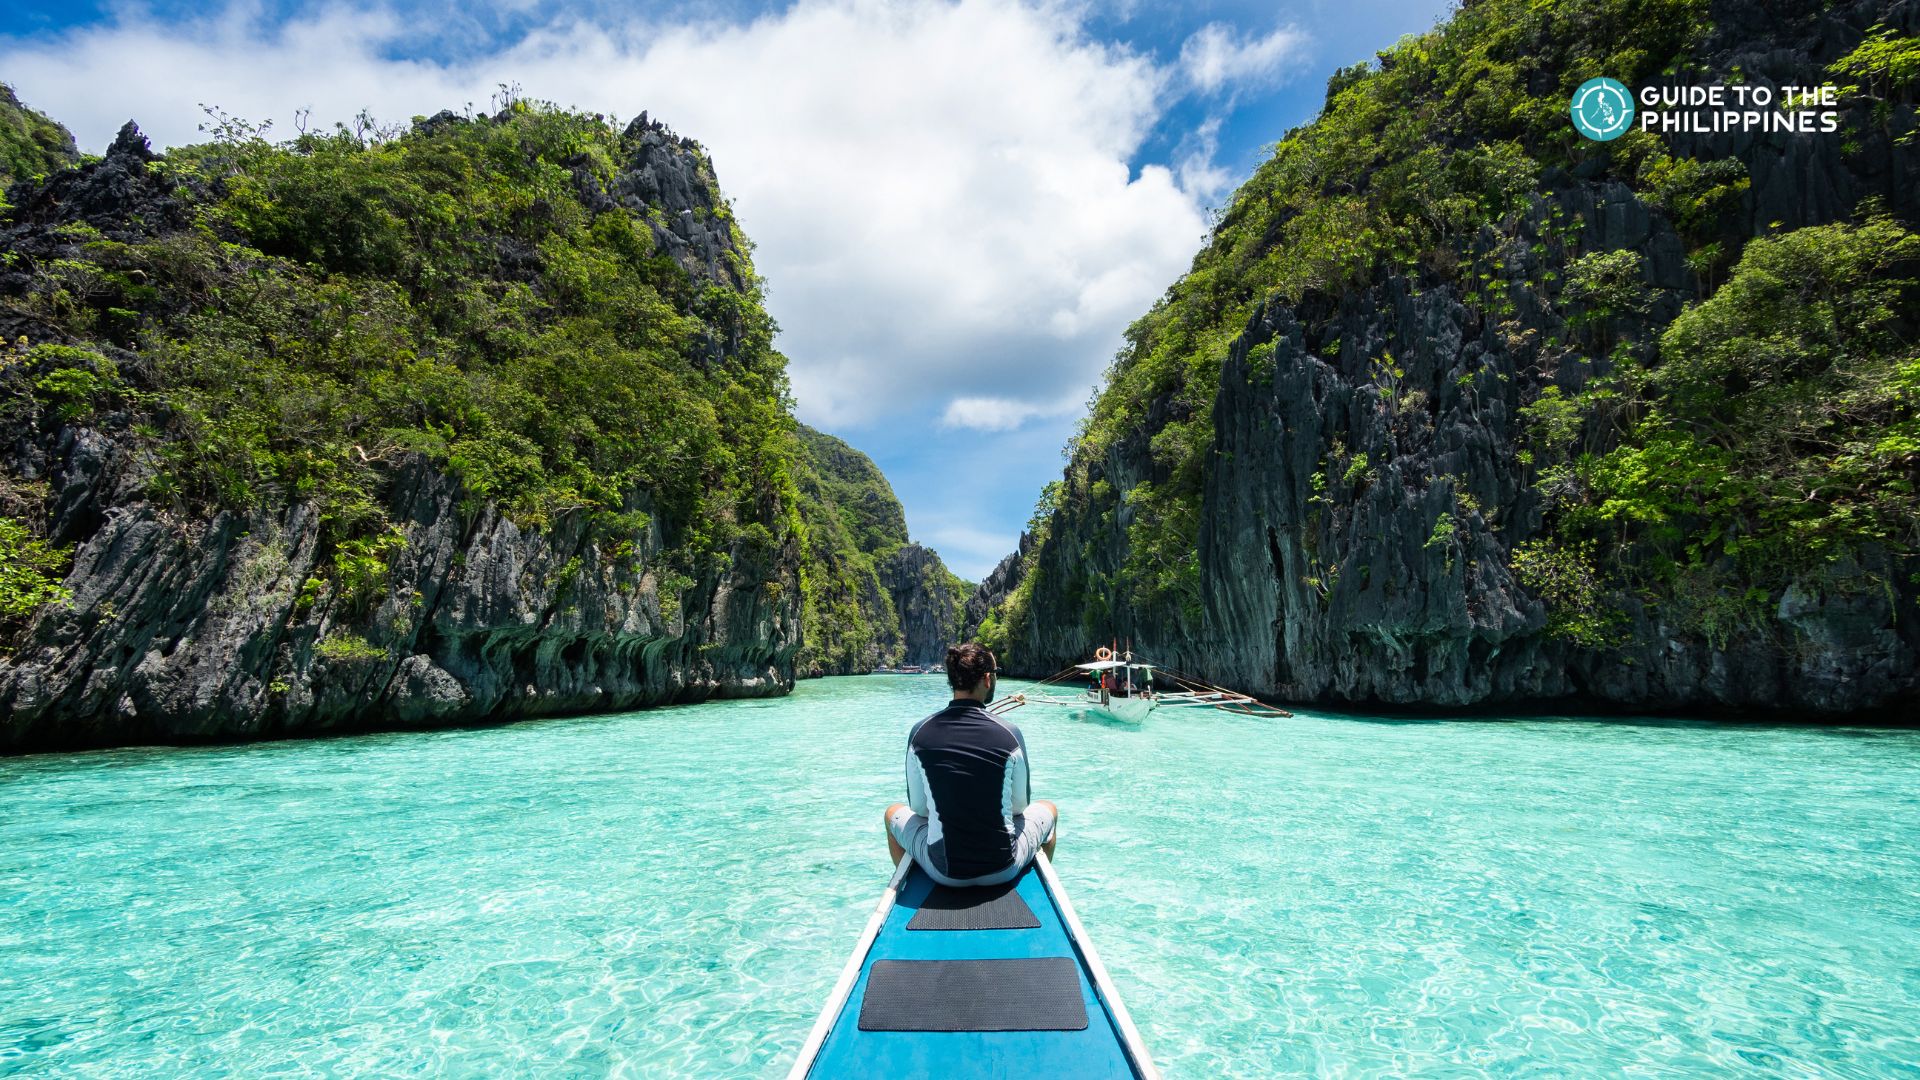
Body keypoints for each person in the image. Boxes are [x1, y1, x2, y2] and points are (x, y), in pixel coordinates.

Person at [885, 643, 1057, 886]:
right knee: (1049, 809)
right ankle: (1038, 886)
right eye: (995, 673)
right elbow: (1020, 806)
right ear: (987, 679)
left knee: (892, 813)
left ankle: (913, 886)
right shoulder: (1009, 733)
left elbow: (919, 809)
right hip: (1003, 867)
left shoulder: (920, 733)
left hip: (944, 872)